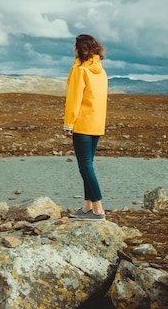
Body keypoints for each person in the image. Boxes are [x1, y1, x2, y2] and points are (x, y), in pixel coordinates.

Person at [63, 34, 108, 220]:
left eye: (74, 46)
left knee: (85, 167)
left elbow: (75, 99)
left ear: (79, 49)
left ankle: (98, 210)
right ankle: (87, 208)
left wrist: (68, 124)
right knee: (88, 165)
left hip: (82, 124)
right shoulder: (101, 71)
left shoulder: (78, 70)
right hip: (96, 125)